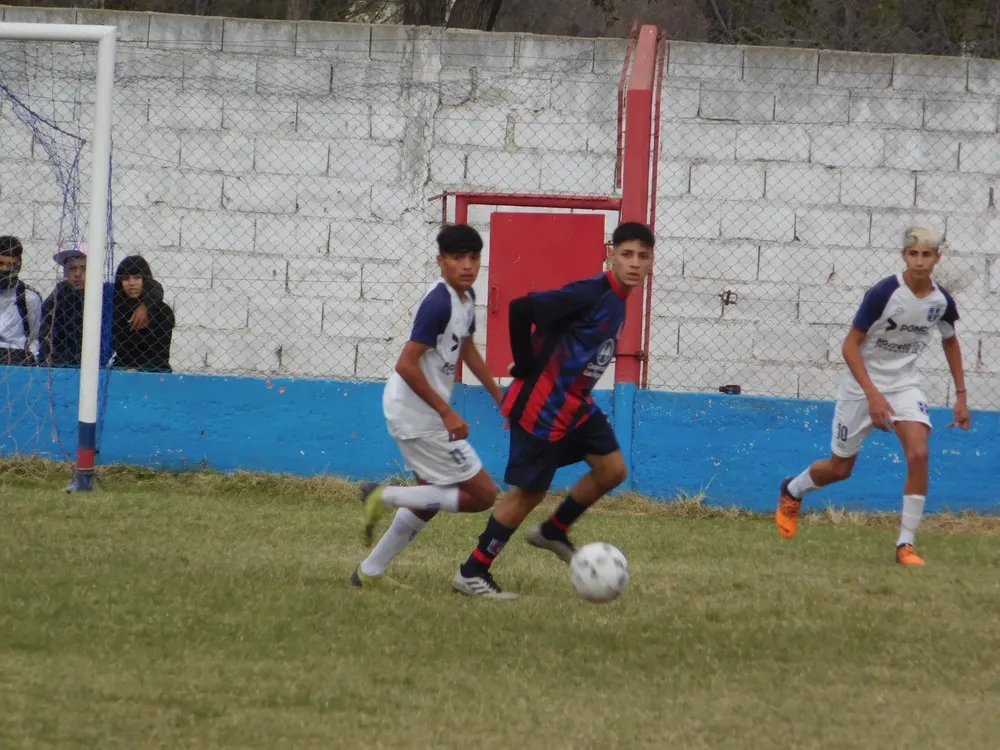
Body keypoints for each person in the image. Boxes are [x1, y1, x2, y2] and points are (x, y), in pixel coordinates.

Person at [452, 221, 655, 598]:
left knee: (612, 470)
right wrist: (526, 363)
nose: (634, 262)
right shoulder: (592, 292)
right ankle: (472, 571)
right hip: (541, 409)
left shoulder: (619, 299)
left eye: (642, 256)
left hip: (576, 406)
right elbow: (521, 308)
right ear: (610, 253)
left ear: (650, 262)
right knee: (528, 494)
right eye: (626, 254)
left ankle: (553, 531)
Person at [776, 225, 972, 566]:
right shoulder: (884, 293)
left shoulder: (941, 302)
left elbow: (950, 339)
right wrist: (872, 395)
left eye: (927, 255)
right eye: (914, 254)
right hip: (860, 386)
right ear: (904, 256)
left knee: (919, 452)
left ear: (937, 258)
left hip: (904, 384)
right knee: (839, 469)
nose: (920, 262)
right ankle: (793, 490)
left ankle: (905, 545)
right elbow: (850, 346)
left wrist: (961, 395)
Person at [353, 224, 505, 590]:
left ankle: (368, 574)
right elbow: (406, 364)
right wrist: (446, 411)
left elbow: (468, 351)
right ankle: (383, 495)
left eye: (474, 258)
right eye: (457, 258)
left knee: (429, 497)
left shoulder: (466, 300)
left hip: (419, 411)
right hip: (416, 413)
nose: (467, 265)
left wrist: (503, 398)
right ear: (441, 262)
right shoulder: (437, 302)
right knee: (483, 494)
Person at [39, 243, 113, 367]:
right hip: (62, 363)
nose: (78, 274)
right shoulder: (58, 295)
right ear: (65, 272)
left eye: (84, 268)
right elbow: (44, 333)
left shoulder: (107, 292)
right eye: (72, 268)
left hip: (100, 363)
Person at [111, 255, 175, 373]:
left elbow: (161, 357)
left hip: (155, 373)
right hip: (120, 370)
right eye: (125, 278)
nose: (131, 283)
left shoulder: (162, 311)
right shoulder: (115, 308)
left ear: (145, 279)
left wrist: (147, 306)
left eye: (137, 277)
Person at [0, 236, 42, 366]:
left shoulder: (28, 297)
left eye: (11, 265)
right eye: (0, 264)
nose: (5, 270)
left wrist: (32, 357)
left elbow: (34, 336)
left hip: (15, 360)